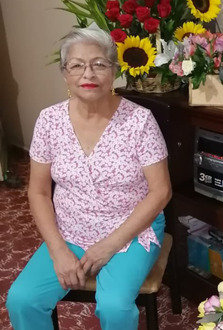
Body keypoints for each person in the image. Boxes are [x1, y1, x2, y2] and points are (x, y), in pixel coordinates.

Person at [6, 27, 172, 330]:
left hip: (131, 232)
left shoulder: (139, 121)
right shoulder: (49, 121)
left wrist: (109, 245)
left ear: (114, 70)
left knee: (114, 306)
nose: (88, 73)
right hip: (70, 230)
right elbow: (38, 192)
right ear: (64, 73)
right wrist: (58, 250)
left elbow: (160, 192)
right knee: (22, 299)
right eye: (77, 65)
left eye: (99, 64)